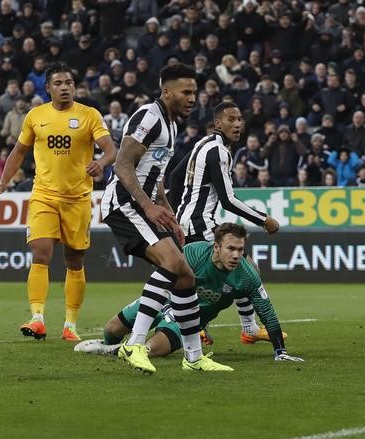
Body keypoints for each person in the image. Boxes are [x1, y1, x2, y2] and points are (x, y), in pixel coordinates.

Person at [99, 63, 230, 373]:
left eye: (195, 93)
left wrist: (167, 209)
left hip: (144, 205)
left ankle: (194, 358)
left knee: (185, 276)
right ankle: (134, 344)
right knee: (172, 264)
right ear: (166, 91)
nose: (192, 98)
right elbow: (122, 164)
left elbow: (153, 173)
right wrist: (147, 206)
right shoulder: (149, 117)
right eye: (186, 92)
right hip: (125, 204)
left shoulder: (170, 125)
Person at [0, 62, 117, 342]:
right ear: (48, 88)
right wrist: (4, 181)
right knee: (41, 253)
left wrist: (101, 163)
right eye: (59, 83)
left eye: (69, 83)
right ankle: (37, 318)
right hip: (44, 196)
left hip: (78, 199)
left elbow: (111, 149)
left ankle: (70, 324)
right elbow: (19, 150)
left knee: (74, 259)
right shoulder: (36, 116)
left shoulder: (89, 115)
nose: (65, 87)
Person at [74, 223, 303, 362]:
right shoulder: (194, 252)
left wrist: (279, 351)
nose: (236, 255)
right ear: (216, 247)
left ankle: (111, 351)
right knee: (112, 328)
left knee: (154, 349)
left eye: (240, 250)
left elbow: (267, 312)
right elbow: (165, 278)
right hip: (164, 301)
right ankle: (108, 342)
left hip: (188, 321)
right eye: (231, 249)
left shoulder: (247, 274)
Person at [169, 102, 279, 243]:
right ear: (218, 124)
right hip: (200, 227)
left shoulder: (203, 142)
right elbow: (228, 200)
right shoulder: (218, 151)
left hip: (186, 225)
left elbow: (176, 176)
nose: (238, 124)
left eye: (239, 119)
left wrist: (176, 217)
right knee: (240, 258)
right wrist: (264, 219)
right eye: (231, 120)